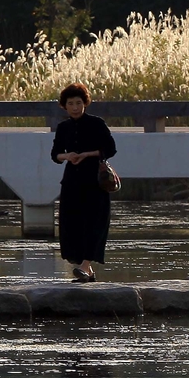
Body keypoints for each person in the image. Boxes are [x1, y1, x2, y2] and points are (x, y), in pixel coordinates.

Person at [50, 83, 117, 282]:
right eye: (70, 103)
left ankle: (85, 265)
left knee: (94, 224)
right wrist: (67, 156)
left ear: (85, 103)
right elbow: (55, 154)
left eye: (78, 103)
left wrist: (87, 154)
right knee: (71, 225)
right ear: (64, 106)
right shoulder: (63, 127)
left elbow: (110, 149)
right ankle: (87, 271)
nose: (75, 107)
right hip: (71, 182)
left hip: (95, 182)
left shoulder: (97, 123)